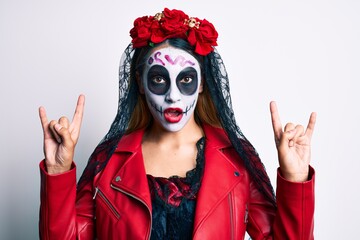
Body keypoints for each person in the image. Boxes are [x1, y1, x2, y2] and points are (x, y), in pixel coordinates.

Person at [38, 8, 316, 240]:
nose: (172, 95)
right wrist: (57, 171)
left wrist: (295, 180)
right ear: (140, 83)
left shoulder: (237, 159)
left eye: (185, 80)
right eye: (159, 79)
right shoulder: (108, 160)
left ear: (203, 84)